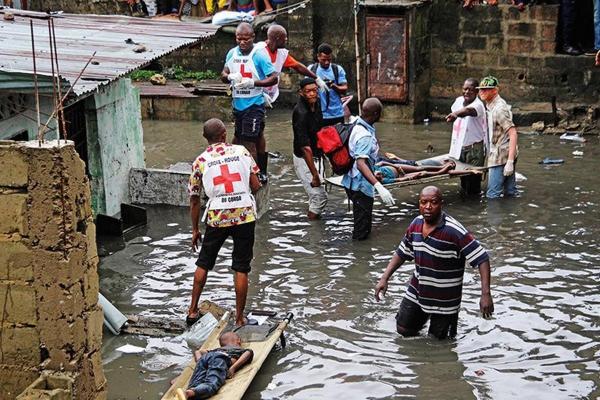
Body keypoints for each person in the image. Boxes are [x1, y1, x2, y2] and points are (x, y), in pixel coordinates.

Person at [374, 186, 494, 340]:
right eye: (424, 202)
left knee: (439, 343)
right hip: (418, 289)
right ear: (419, 204)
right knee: (403, 329)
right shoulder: (416, 224)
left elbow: (482, 258)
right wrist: (385, 277)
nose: (428, 207)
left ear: (441, 204)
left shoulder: (454, 231)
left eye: (433, 202)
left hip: (445, 300)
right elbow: (402, 252)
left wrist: (485, 294)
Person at [186, 118, 261, 328]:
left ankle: (192, 310)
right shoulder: (242, 152)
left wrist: (194, 229)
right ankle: (239, 318)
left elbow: (194, 199)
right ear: (224, 134)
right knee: (241, 267)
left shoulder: (200, 161)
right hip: (244, 214)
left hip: (217, 215)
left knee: (204, 262)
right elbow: (256, 185)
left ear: (205, 138)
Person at [221, 22, 278, 182]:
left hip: (254, 104)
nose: (243, 42)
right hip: (238, 104)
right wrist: (229, 76)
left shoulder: (259, 55)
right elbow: (224, 72)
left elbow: (274, 78)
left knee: (248, 142)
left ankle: (253, 175)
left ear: (253, 37)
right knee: (250, 136)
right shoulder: (232, 53)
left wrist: (253, 83)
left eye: (246, 39)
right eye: (239, 39)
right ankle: (261, 170)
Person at [342, 98, 395, 241]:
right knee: (362, 231)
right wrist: (379, 187)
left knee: (360, 222)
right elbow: (360, 163)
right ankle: (359, 258)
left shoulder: (355, 124)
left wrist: (373, 172)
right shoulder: (364, 135)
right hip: (361, 186)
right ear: (377, 114)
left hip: (351, 182)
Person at [256, 25, 327, 105]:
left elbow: (297, 66)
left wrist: (316, 78)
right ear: (277, 38)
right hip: (255, 94)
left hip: (269, 94)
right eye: (285, 37)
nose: (286, 39)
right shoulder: (259, 50)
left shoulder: (281, 53)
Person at [176, 331, 254, 399]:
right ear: (239, 340)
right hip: (219, 359)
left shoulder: (217, 349)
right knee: (212, 384)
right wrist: (233, 368)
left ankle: (189, 392)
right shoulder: (238, 349)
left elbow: (197, 352)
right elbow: (249, 353)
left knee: (195, 384)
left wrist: (200, 362)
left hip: (205, 357)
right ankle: (188, 393)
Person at [477, 76, 519, 199]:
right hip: (505, 152)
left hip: (500, 156)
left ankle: (494, 217)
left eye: (486, 89)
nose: (482, 92)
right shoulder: (491, 105)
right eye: (480, 89)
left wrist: (510, 162)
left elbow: (513, 133)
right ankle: (511, 215)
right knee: (510, 192)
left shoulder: (498, 109)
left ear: (495, 90)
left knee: (492, 195)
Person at [445, 78, 488, 196]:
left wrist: (455, 114)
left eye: (470, 90)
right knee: (463, 179)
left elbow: (468, 111)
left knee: (474, 181)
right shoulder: (458, 101)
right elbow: (459, 110)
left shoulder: (478, 105)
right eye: (465, 89)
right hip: (460, 147)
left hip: (474, 149)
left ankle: (474, 206)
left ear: (477, 92)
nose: (467, 92)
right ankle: (464, 202)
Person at [292, 78, 326, 220]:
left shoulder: (317, 103)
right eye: (308, 92)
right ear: (301, 93)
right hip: (304, 158)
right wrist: (315, 175)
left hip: (317, 153)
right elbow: (305, 148)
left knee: (317, 195)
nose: (312, 94)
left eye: (314, 91)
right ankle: (313, 234)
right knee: (319, 198)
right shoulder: (300, 113)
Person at [308, 43, 349, 126]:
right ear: (318, 57)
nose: (327, 62)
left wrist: (334, 86)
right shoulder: (311, 69)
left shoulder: (337, 69)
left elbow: (345, 88)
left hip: (337, 113)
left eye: (329, 60)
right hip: (319, 114)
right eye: (323, 60)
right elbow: (306, 90)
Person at [374, 159, 480, 184]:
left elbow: (383, 162)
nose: (379, 175)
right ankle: (442, 170)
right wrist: (411, 178)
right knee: (421, 173)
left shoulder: (373, 169)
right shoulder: (384, 181)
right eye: (379, 176)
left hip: (397, 167)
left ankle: (441, 168)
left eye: (378, 174)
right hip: (402, 174)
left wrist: (396, 167)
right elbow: (399, 179)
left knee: (418, 168)